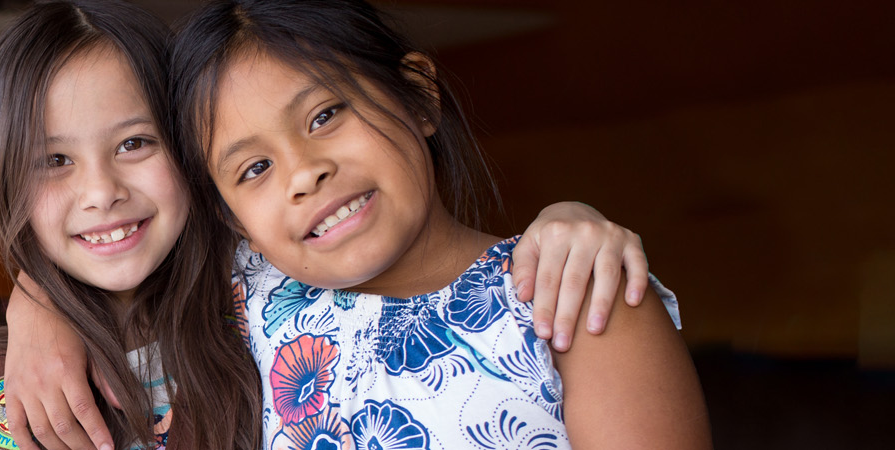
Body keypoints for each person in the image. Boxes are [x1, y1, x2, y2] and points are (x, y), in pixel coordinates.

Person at [0, 1, 660, 449]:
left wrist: (571, 220)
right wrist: (36, 305)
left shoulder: (256, 292)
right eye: (51, 162)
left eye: (136, 143)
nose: (302, 175)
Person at [170, 0, 709, 447]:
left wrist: (574, 217)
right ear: (230, 218)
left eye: (325, 115)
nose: (305, 174)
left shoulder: (567, 294)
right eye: (255, 168)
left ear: (420, 97)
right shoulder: (242, 301)